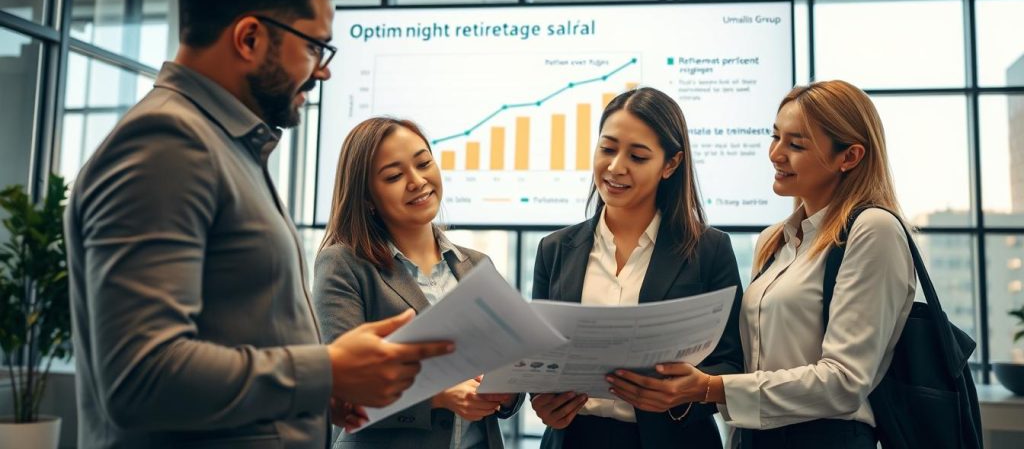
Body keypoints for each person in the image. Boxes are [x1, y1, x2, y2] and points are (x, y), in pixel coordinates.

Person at [64, 0, 452, 449]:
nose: (322, 71)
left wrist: (318, 390)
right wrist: (326, 371)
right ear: (249, 38)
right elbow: (140, 377)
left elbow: (231, 339)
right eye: (314, 47)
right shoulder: (167, 145)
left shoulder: (220, 145)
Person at [608, 80, 917, 449]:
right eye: (775, 137)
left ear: (849, 157)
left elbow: (845, 382)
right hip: (756, 437)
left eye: (796, 145)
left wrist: (709, 388)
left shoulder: (873, 230)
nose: (775, 154)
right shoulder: (776, 240)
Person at [531, 87, 744, 449]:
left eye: (638, 156)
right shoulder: (554, 249)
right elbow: (539, 358)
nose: (616, 167)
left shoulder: (709, 250)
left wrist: (686, 394)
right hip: (574, 439)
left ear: (670, 164)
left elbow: (731, 363)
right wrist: (543, 402)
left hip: (673, 439)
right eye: (608, 149)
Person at [313, 117, 521, 449]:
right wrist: (438, 398)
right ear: (367, 197)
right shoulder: (343, 264)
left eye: (424, 163)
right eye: (394, 176)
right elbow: (344, 389)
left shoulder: (478, 265)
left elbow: (509, 364)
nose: (417, 181)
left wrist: (506, 391)